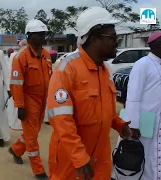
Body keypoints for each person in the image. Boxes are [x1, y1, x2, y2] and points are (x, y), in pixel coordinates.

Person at [47, 7, 132, 180]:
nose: (117, 42)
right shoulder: (67, 68)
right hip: (72, 163)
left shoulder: (104, 69)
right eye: (112, 37)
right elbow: (61, 120)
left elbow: (103, 108)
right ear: (94, 40)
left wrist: (119, 124)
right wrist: (79, 157)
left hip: (100, 161)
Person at [111, 32, 161, 179]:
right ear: (158, 46)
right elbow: (133, 97)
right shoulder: (142, 64)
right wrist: (132, 124)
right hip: (142, 123)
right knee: (140, 156)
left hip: (160, 121)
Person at [8, 19, 52, 179]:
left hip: (42, 102)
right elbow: (16, 83)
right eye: (39, 35)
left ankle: (16, 149)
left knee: (32, 132)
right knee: (32, 137)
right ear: (30, 36)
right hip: (28, 102)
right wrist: (20, 106)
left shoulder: (46, 55)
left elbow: (50, 78)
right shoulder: (21, 56)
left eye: (44, 34)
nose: (43, 37)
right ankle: (38, 170)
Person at [6, 40, 28, 131]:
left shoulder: (27, 55)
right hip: (16, 82)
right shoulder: (14, 55)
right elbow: (10, 70)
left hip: (25, 84)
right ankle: (15, 123)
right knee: (15, 105)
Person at [44, 49, 58, 125]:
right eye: (52, 56)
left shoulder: (59, 64)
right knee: (47, 103)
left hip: (56, 86)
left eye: (55, 56)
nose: (54, 58)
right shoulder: (46, 63)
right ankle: (47, 119)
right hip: (48, 86)